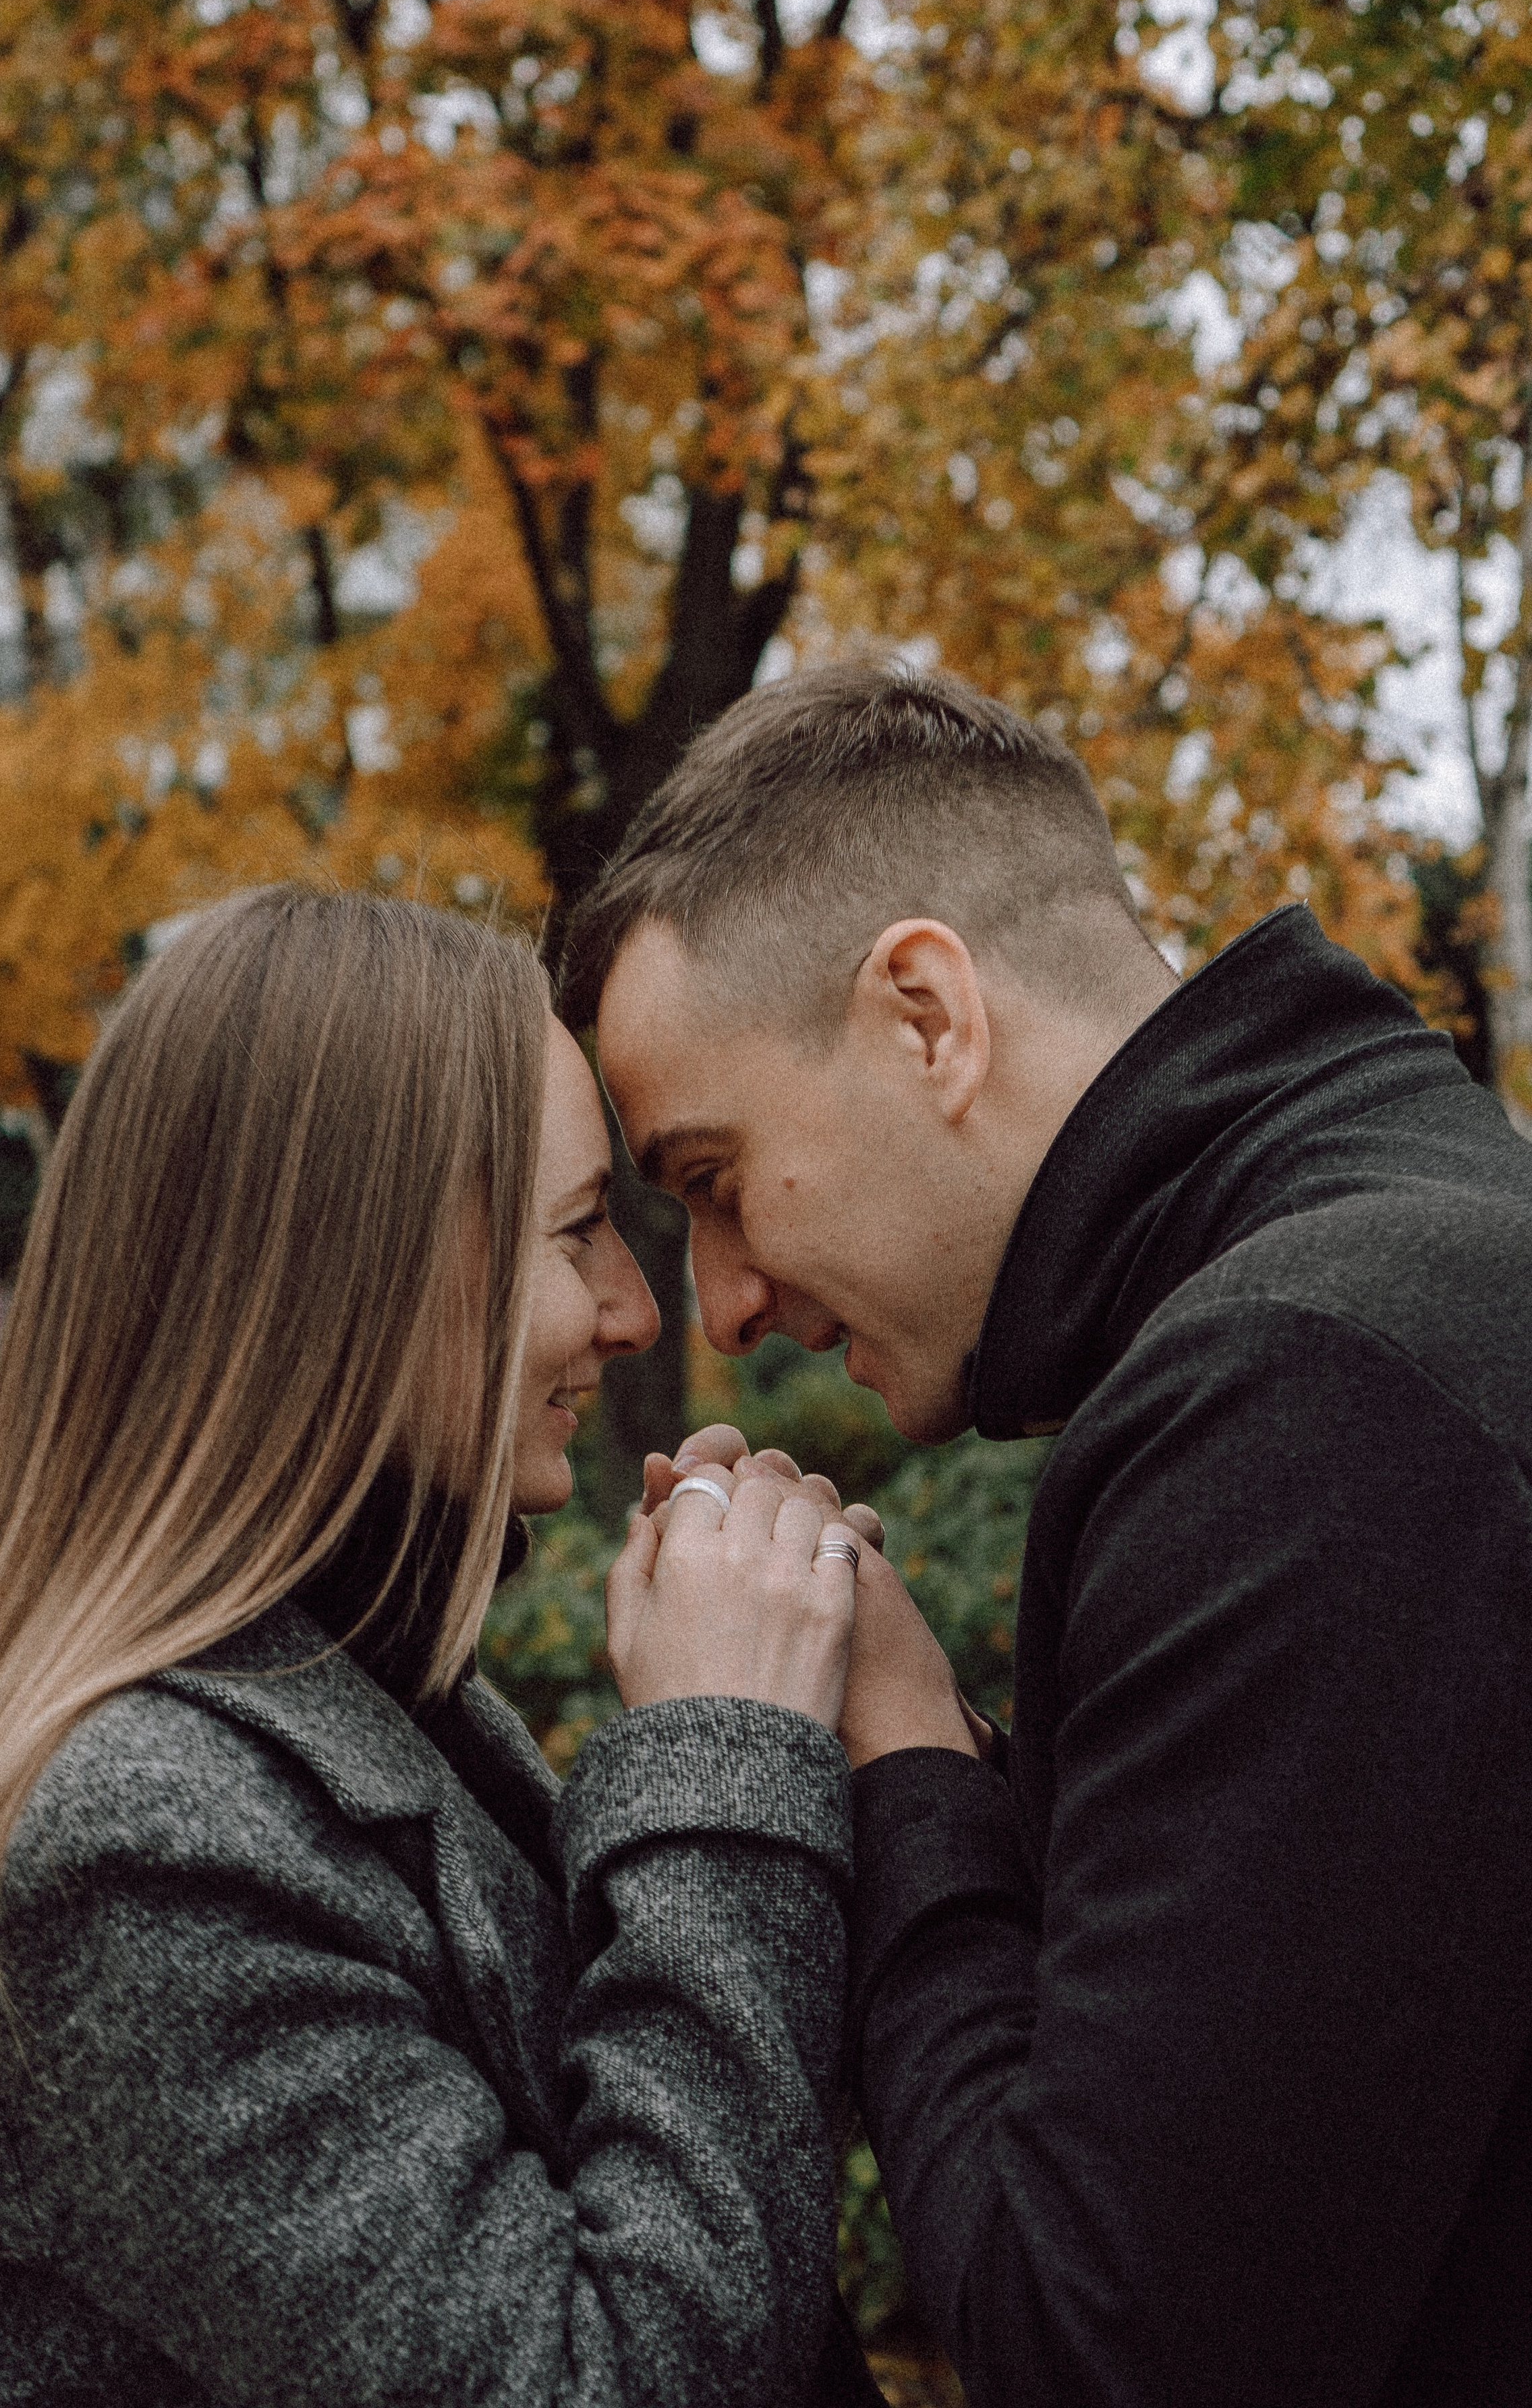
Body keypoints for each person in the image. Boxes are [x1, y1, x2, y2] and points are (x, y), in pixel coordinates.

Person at [562, 660, 1532, 2408]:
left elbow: (1105, 2356)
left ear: (927, 1015)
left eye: (711, 1181)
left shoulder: (1308, 1400)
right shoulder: (1399, 1257)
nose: (721, 1303)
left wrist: (900, 1759)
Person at [0, 885, 885, 2408]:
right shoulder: (138, 1848)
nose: (634, 1312)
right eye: (581, 1231)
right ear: (360, 1277)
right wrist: (724, 1751)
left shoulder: (359, 1713)